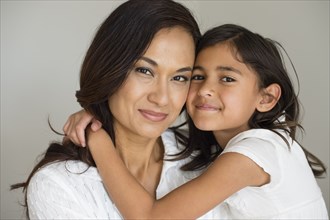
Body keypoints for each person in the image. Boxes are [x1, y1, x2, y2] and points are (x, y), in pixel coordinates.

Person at [69, 24, 328, 219]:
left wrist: (97, 137)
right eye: (196, 77)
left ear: (267, 98)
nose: (205, 90)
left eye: (227, 79)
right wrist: (101, 111)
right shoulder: (259, 137)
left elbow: (149, 217)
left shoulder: (253, 154)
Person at [11, 1, 227, 219]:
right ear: (110, 69)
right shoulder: (60, 185)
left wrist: (96, 137)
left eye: (179, 77)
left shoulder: (210, 160)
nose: (161, 98)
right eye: (144, 71)